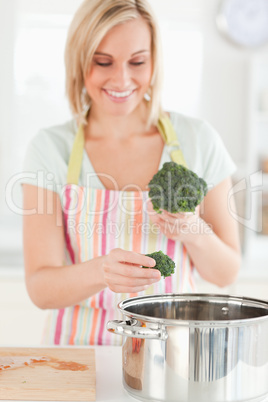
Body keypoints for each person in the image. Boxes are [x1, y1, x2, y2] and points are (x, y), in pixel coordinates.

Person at [21, 0, 241, 346]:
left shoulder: (198, 140)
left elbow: (227, 272)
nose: (122, 79)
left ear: (154, 62)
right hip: (80, 358)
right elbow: (40, 288)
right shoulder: (50, 148)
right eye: (103, 61)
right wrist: (100, 271)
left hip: (173, 358)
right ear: (79, 62)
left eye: (137, 61)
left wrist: (194, 232)